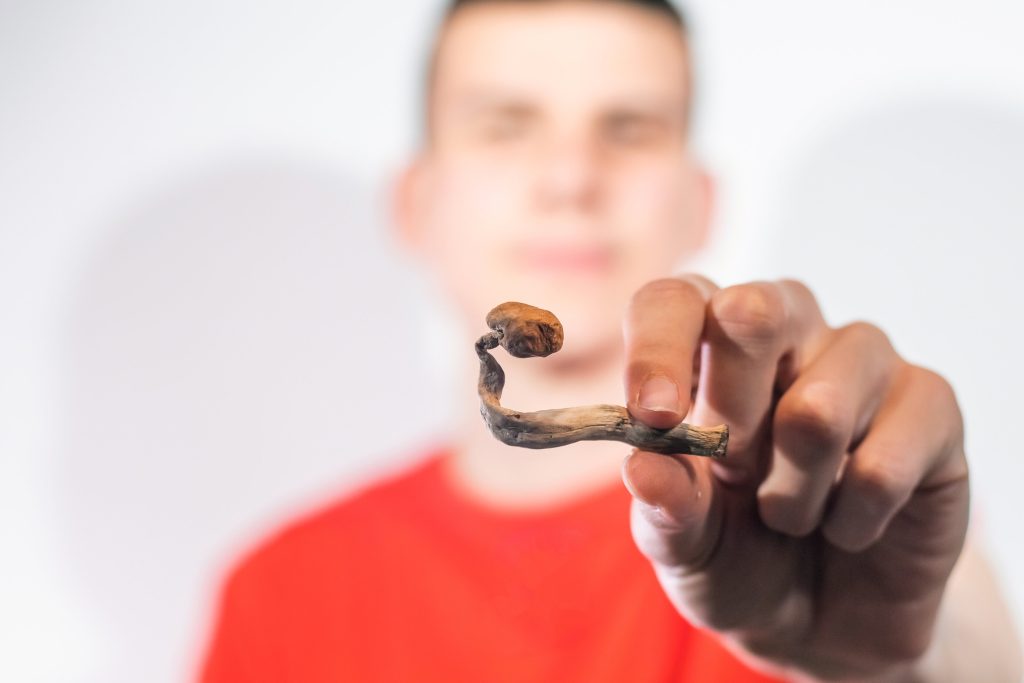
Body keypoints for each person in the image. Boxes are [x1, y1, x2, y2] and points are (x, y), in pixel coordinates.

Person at [197, 1, 1022, 680]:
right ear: (415, 203)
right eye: (505, 126)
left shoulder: (821, 511)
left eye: (629, 129)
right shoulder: (282, 591)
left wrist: (899, 665)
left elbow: (960, 645)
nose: (572, 179)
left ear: (700, 204)